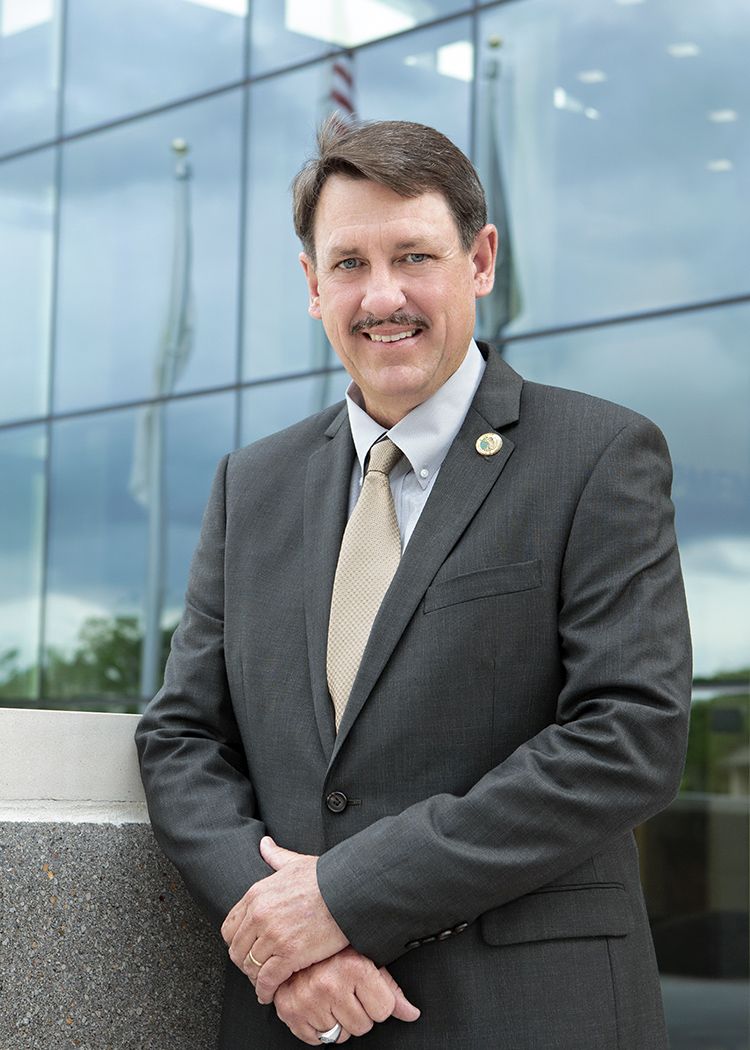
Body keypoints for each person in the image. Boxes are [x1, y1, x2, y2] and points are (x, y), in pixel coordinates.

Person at [135, 118, 692, 1049]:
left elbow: (628, 736)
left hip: (526, 1014)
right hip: (294, 1017)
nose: (382, 295)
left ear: (480, 261)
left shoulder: (599, 456)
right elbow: (182, 736)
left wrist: (343, 897)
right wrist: (284, 934)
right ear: (313, 285)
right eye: (349, 263)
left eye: (414, 256)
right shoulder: (250, 485)